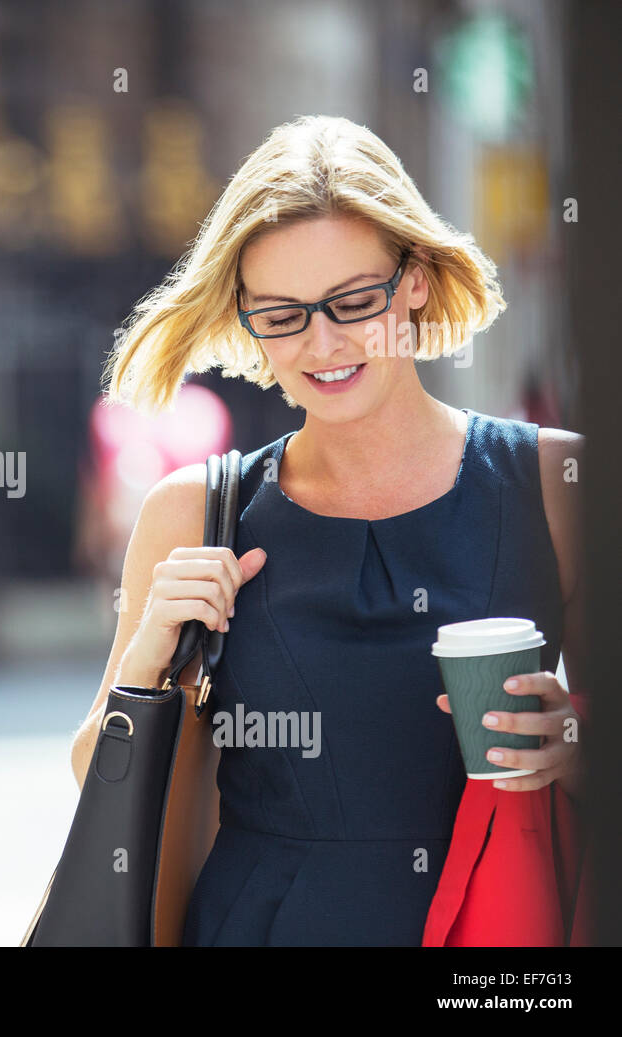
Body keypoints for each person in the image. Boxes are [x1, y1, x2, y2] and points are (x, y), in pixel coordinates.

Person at [69, 114, 584, 946]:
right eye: (280, 314)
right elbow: (100, 781)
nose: (322, 342)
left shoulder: (556, 485)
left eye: (353, 301)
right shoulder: (196, 512)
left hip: (498, 943)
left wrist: (579, 746)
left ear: (414, 279)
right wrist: (145, 666)